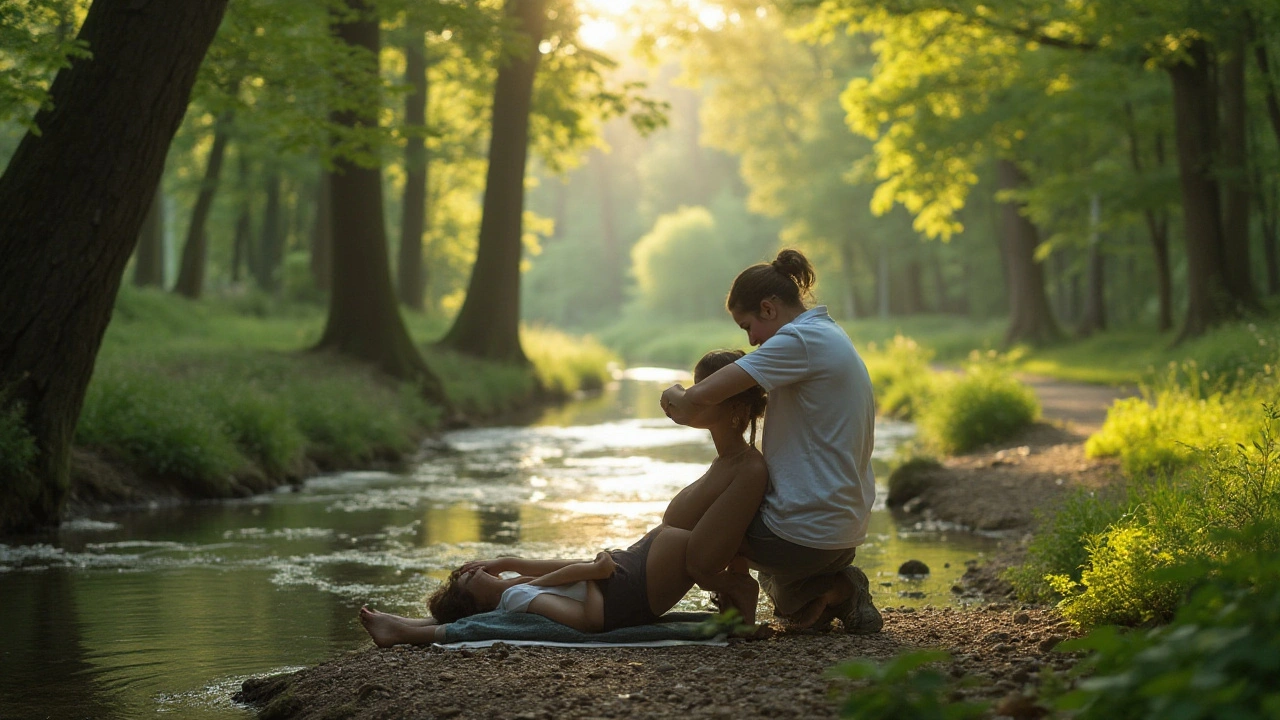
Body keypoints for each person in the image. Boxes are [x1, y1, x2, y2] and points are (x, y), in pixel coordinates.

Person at [359, 351, 769, 647]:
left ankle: (407, 630)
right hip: (632, 578)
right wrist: (570, 569)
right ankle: (408, 627)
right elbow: (571, 581)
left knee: (512, 594)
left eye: (705, 392)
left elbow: (720, 547)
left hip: (634, 580)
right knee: (503, 597)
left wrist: (732, 588)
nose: (693, 398)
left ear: (734, 407)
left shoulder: (745, 467)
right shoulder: (730, 463)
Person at [660, 248, 882, 634]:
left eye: (748, 326)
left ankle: (735, 612)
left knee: (691, 529)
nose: (752, 339)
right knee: (778, 588)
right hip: (843, 532)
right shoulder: (828, 334)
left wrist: (674, 391)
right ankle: (839, 588)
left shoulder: (800, 341)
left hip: (803, 534)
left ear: (768, 308)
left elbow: (696, 400)